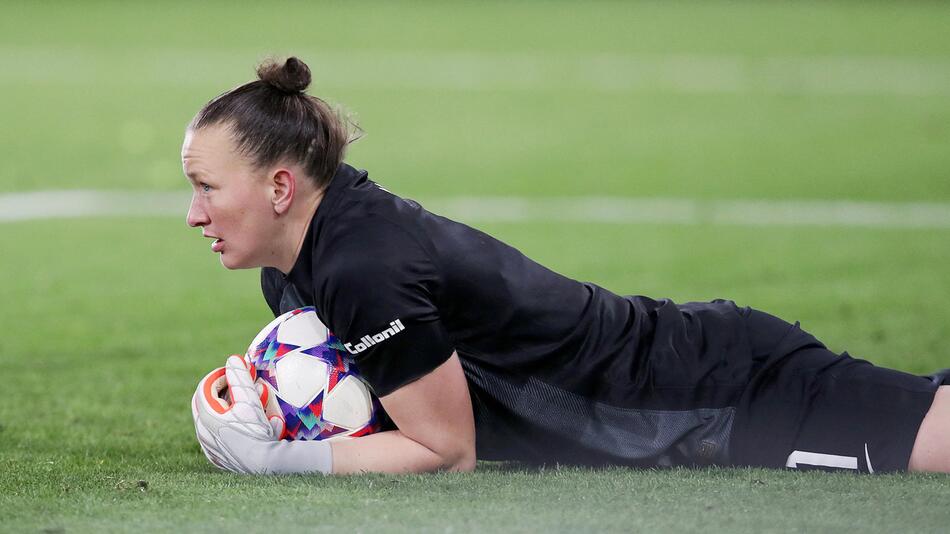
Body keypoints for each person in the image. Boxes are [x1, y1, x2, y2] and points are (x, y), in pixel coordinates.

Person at [186, 57, 950, 476]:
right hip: (690, 401)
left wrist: (275, 459)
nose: (194, 214)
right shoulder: (296, 267)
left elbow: (445, 453)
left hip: (720, 400)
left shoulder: (361, 267)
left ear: (281, 186)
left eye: (206, 187)